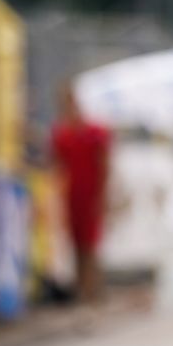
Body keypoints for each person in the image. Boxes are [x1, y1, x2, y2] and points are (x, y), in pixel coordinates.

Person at [49, 80, 112, 306]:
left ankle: (93, 292)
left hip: (91, 195)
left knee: (90, 246)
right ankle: (82, 293)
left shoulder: (96, 132)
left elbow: (105, 166)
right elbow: (57, 167)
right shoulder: (61, 134)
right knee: (76, 246)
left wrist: (104, 198)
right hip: (72, 196)